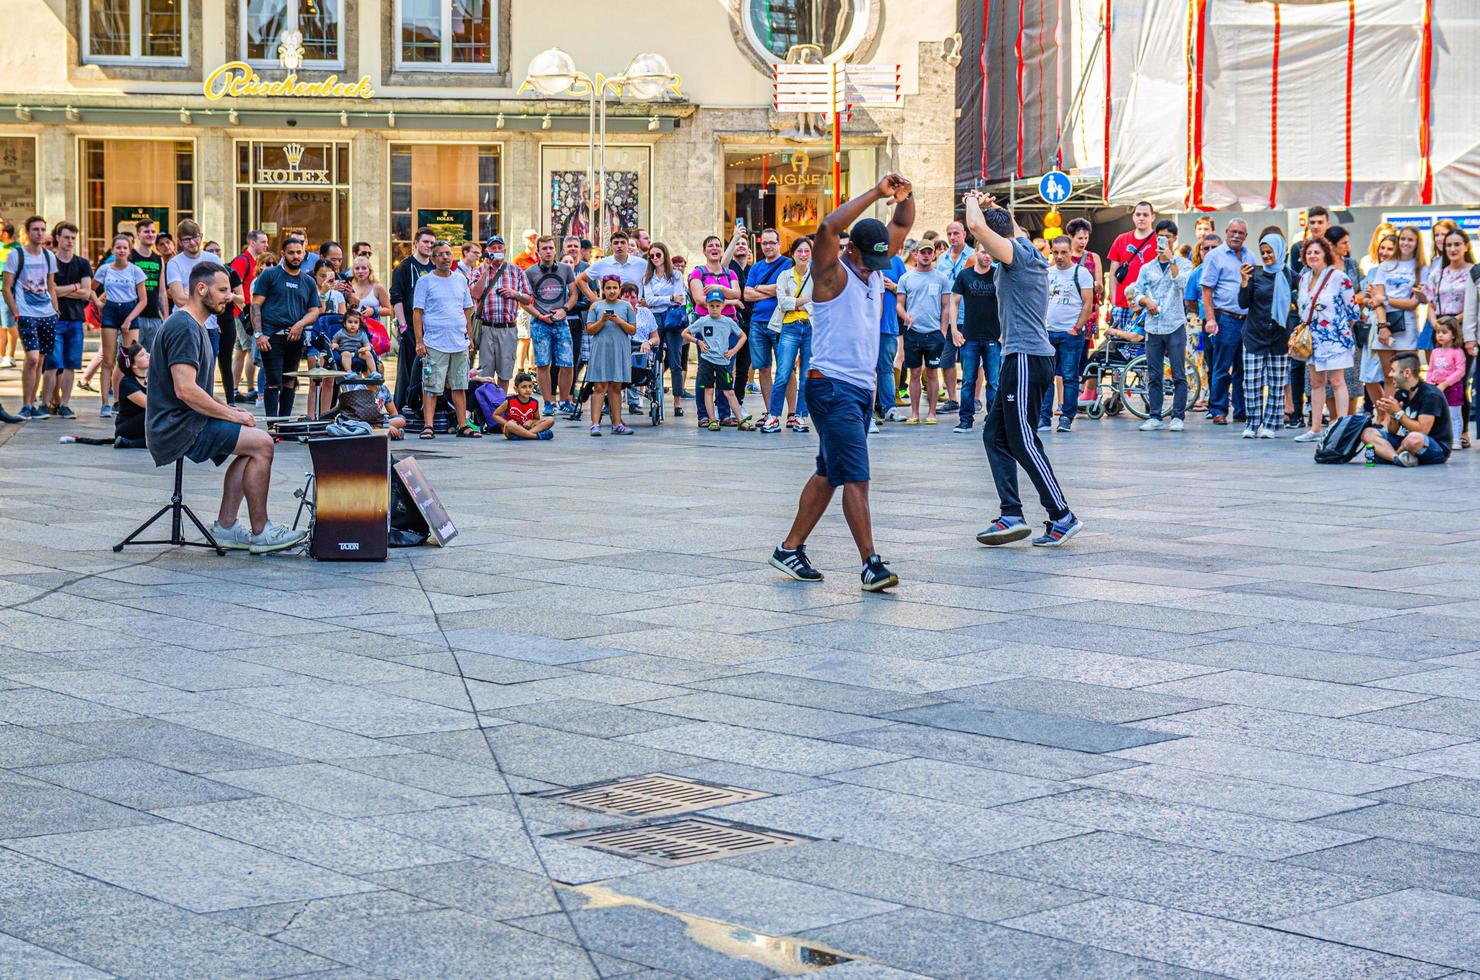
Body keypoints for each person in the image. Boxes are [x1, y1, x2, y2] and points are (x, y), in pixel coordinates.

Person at [769, 172, 913, 593]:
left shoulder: (871, 271)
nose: (877, 268)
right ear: (852, 250)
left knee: (830, 473)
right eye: (871, 259)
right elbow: (826, 228)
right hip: (831, 386)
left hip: (858, 388)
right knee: (856, 476)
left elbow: (901, 225)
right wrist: (876, 192)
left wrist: (906, 196)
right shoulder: (832, 274)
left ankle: (790, 548)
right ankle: (870, 564)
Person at [148, 262, 306, 553]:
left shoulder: (194, 324)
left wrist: (234, 413)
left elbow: (197, 391)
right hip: (178, 426)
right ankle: (262, 532)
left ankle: (227, 526)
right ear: (201, 288)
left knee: (252, 443)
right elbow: (185, 390)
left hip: (188, 419)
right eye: (223, 290)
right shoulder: (184, 326)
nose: (229, 296)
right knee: (263, 443)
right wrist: (232, 413)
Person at [965, 191, 1082, 548]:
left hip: (1027, 359)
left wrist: (972, 200)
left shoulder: (1018, 257)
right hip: (1024, 358)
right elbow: (1007, 224)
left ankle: (1062, 515)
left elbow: (975, 225)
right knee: (994, 435)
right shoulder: (1026, 247)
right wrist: (993, 206)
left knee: (1023, 438)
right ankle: (1011, 514)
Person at [1292, 236, 1357, 443]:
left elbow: (1353, 308)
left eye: (1316, 252)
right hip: (1313, 338)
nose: (1312, 256)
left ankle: (1343, 427)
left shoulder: (1338, 277)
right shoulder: (1304, 278)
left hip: (1335, 337)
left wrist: (1341, 327)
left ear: (1325, 255)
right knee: (1316, 383)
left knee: (1337, 381)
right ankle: (1316, 428)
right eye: (1309, 252)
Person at [1127, 226, 1192, 432]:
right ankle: (1155, 415)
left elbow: (1182, 283)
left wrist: (1171, 259)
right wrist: (1145, 300)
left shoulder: (1183, 264)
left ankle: (1178, 416)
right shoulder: (1147, 267)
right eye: (1160, 237)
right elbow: (1136, 292)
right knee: (1154, 373)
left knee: (1178, 373)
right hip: (1153, 326)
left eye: (1167, 237)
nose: (1163, 241)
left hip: (1174, 324)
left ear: (1174, 239)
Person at [250, 236, 320, 419]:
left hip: (295, 338)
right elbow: (255, 305)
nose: (295, 256)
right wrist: (259, 334)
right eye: (291, 253)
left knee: (290, 381)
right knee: (273, 381)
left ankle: (285, 424)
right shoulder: (270, 275)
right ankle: (273, 426)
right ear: (283, 254)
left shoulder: (309, 281)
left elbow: (314, 311)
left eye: (299, 252)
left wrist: (300, 324)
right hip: (271, 337)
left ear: (304, 253)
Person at [412, 241, 477, 439]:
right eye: (440, 254)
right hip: (434, 342)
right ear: (432, 260)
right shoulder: (425, 281)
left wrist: (470, 337)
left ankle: (462, 425)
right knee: (431, 386)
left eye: (448, 253)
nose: (445, 257)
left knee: (459, 385)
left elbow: (467, 310)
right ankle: (429, 426)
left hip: (459, 341)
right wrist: (419, 341)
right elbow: (417, 313)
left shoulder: (460, 280)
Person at [1235, 232, 1294, 439]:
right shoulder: (1254, 273)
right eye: (1263, 252)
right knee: (1251, 382)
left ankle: (1270, 424)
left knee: (1277, 383)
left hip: (1279, 337)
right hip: (1254, 336)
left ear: (1279, 250)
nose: (1267, 256)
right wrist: (1243, 282)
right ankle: (1252, 423)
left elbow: (1303, 296)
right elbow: (1243, 303)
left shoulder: (1289, 274)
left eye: (1270, 252)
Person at [1423, 228, 1476, 448]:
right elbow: (1431, 303)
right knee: (1438, 378)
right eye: (1449, 245)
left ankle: (1462, 431)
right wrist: (1437, 324)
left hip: (1463, 329)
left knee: (1458, 382)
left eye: (1457, 244)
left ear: (1466, 246)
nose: (1453, 249)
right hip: (1442, 329)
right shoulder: (1439, 273)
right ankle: (1442, 429)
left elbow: (1474, 305)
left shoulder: (1473, 271)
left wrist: (1455, 323)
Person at [2, 215, 58, 419]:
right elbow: (6, 287)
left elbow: (51, 286)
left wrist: (55, 309)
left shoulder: (48, 256)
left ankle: (32, 404)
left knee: (41, 359)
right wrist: (16, 311)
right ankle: (26, 404)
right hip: (26, 312)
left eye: (43, 229)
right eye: (35, 229)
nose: (40, 233)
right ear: (27, 232)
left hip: (47, 313)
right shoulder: (16, 255)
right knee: (32, 358)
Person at [1200, 218, 1256, 425]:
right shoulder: (1215, 256)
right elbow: (1207, 290)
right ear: (1226, 232)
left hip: (1247, 320)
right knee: (1222, 367)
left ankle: (1241, 410)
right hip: (1225, 318)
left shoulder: (1250, 255)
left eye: (1241, 233)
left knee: (1243, 368)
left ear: (1245, 236)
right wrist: (1211, 319)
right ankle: (1218, 410)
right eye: (1233, 231)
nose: (1236, 236)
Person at [1039, 235, 1096, 433]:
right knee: (1045, 377)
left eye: (1064, 252)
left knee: (1070, 377)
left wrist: (1076, 328)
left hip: (1070, 333)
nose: (1059, 256)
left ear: (1071, 251)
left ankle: (1066, 417)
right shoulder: (1046, 273)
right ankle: (1043, 418)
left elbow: (1088, 304)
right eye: (1055, 252)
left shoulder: (1081, 273)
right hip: (1047, 333)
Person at [1360, 352, 1451, 466]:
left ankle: (1391, 455)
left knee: (1413, 439)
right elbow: (1392, 431)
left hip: (1433, 447)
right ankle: (1397, 458)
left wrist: (1398, 413)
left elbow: (1422, 431)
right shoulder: (1401, 393)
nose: (1389, 374)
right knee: (1368, 433)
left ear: (1407, 373)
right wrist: (1392, 414)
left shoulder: (1430, 394)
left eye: (1393, 370)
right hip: (1405, 442)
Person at [897, 240, 952, 426]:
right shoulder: (906, 278)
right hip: (913, 332)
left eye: (929, 252)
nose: (926, 255)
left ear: (934, 255)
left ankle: (931, 412)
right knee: (914, 373)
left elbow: (946, 306)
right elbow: (899, 304)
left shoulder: (941, 278)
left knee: (932, 373)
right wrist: (905, 315)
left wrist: (943, 330)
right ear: (915, 254)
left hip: (934, 332)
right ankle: (914, 413)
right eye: (923, 252)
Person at [764, 237, 816, 433]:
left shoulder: (816, 276)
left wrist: (795, 301)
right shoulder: (784, 275)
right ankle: (774, 416)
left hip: (810, 327)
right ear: (792, 254)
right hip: (789, 326)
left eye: (807, 251)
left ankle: (800, 417)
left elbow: (819, 302)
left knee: (806, 375)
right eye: (799, 251)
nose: (803, 255)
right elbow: (783, 302)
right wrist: (804, 300)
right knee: (783, 373)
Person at [94, 234, 148, 419]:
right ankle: (105, 403)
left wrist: (128, 319)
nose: (121, 251)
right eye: (118, 247)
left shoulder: (135, 271)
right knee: (108, 359)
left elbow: (143, 300)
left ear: (129, 250)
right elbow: (91, 289)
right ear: (112, 249)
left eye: (125, 248)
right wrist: (99, 304)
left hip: (129, 311)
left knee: (128, 360)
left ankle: (122, 400)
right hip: (111, 310)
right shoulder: (105, 269)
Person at [950, 242, 1000, 434]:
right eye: (984, 251)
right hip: (969, 336)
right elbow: (954, 302)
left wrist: (1004, 330)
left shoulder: (998, 274)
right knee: (968, 380)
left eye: (990, 252)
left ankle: (993, 419)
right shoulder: (965, 275)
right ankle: (965, 420)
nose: (987, 256)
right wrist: (954, 329)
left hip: (993, 336)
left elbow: (1007, 301)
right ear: (976, 253)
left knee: (994, 380)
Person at [522, 235, 576, 413]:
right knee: (543, 363)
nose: (548, 251)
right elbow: (523, 301)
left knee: (567, 363)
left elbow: (574, 294)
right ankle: (547, 403)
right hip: (540, 323)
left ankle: (565, 401)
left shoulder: (565, 269)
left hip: (561, 321)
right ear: (538, 251)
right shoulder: (530, 272)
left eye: (551, 248)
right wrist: (539, 315)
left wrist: (565, 310)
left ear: (556, 250)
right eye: (544, 248)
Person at [744, 228, 793, 420]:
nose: (768, 246)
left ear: (779, 244)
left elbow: (786, 289)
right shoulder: (756, 267)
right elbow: (747, 295)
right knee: (763, 368)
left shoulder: (788, 264)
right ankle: (771, 412)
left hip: (782, 322)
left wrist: (759, 288)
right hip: (758, 323)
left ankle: (792, 413)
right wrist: (772, 290)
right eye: (764, 243)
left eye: (772, 242)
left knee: (787, 369)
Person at [44, 221, 92, 420]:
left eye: (73, 238)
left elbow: (87, 292)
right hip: (53, 318)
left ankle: (64, 403)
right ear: (57, 238)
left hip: (75, 319)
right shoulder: (49, 262)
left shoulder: (82, 263)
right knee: (53, 363)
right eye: (66, 237)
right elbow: (49, 289)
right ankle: (46, 403)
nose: (70, 241)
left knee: (71, 364)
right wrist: (74, 287)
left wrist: (62, 290)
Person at [685, 287, 750, 432]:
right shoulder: (702, 321)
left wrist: (733, 351)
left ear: (722, 306)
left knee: (729, 391)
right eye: (711, 305)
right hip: (707, 361)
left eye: (717, 305)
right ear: (706, 305)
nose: (714, 309)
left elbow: (743, 336)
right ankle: (712, 420)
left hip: (723, 362)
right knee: (708, 390)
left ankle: (740, 419)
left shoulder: (728, 322)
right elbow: (686, 333)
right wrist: (698, 342)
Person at [468, 234, 528, 391]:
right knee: (485, 372)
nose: (496, 250)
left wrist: (515, 294)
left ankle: (500, 404)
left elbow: (528, 298)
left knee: (505, 372)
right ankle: (486, 408)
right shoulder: (478, 271)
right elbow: (475, 294)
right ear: (487, 251)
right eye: (493, 248)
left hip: (508, 328)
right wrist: (487, 270)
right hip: (487, 328)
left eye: (499, 248)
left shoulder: (517, 271)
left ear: (505, 249)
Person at [584, 274, 637, 436]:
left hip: (619, 350)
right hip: (601, 350)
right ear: (603, 289)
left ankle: (617, 423)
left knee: (616, 387)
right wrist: (602, 320)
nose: (612, 291)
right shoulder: (596, 306)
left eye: (615, 288)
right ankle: (595, 424)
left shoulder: (627, 307)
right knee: (599, 386)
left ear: (619, 289)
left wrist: (619, 321)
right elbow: (590, 330)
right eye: (608, 288)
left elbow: (632, 330)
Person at [390, 227, 436, 410]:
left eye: (432, 243)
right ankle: (402, 408)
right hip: (409, 325)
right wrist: (402, 326)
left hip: (432, 327)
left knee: (430, 370)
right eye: (425, 242)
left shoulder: (434, 268)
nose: (429, 246)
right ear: (416, 243)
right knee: (408, 370)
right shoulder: (403, 267)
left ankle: (425, 408)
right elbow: (396, 298)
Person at [642, 241, 688, 417]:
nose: (655, 258)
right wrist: (669, 297)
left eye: (658, 255)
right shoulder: (647, 277)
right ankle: (654, 396)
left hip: (672, 317)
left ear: (665, 256)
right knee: (655, 358)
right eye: (651, 256)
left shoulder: (675, 275)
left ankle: (677, 401)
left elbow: (680, 299)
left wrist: (659, 299)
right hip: (655, 318)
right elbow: (649, 300)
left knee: (675, 360)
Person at [1107, 202, 1158, 339]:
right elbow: (1113, 274)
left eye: (1145, 215)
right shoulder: (1121, 240)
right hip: (1123, 304)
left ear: (1152, 217)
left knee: (1144, 348)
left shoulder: (1158, 241)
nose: (1141, 218)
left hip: (1147, 305)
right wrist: (1114, 302)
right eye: (1138, 214)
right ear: (1133, 217)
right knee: (1118, 347)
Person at [229, 231, 268, 404]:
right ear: (252, 243)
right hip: (243, 314)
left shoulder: (254, 262)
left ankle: (235, 389)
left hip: (242, 313)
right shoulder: (242, 261)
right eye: (263, 241)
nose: (266, 245)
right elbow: (232, 284)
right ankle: (250, 389)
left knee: (240, 352)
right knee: (251, 351)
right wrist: (244, 313)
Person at [937, 220, 972, 413]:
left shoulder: (973, 255)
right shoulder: (942, 258)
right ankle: (952, 399)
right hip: (947, 318)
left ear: (964, 234)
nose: (952, 237)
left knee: (971, 360)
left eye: (956, 233)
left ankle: (972, 399)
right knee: (946, 359)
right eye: (949, 233)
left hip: (969, 316)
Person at [1427, 317, 1466, 448]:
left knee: (1454, 414)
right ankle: (1441, 438)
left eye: (1444, 332)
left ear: (1454, 334)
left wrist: (1445, 384)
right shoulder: (1434, 352)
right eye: (1438, 332)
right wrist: (1429, 383)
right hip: (1436, 387)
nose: (1440, 335)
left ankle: (1456, 439)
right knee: (1439, 414)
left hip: (1452, 387)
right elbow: (1431, 369)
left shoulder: (1457, 352)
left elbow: (1460, 371)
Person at [493, 372, 555, 440]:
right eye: (524, 387)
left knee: (550, 420)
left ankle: (523, 435)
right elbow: (495, 415)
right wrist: (506, 422)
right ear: (516, 389)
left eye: (530, 386)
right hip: (512, 430)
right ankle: (536, 436)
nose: (528, 390)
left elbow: (537, 419)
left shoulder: (534, 402)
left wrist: (531, 421)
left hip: (528, 428)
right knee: (509, 424)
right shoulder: (509, 401)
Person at [112, 341, 149, 448]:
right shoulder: (127, 383)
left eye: (146, 352)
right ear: (134, 364)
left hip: (144, 425)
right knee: (154, 413)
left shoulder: (150, 378)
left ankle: (129, 443)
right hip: (126, 427)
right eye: (142, 355)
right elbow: (149, 404)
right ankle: (127, 441)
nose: (148, 355)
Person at [331, 309, 378, 375]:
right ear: (344, 324)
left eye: (356, 322)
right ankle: (349, 372)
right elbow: (333, 341)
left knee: (368, 354)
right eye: (350, 322)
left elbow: (368, 346)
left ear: (359, 325)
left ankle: (374, 372)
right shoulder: (341, 333)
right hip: (344, 351)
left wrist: (365, 349)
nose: (353, 325)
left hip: (358, 352)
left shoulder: (362, 334)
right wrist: (335, 344)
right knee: (346, 354)